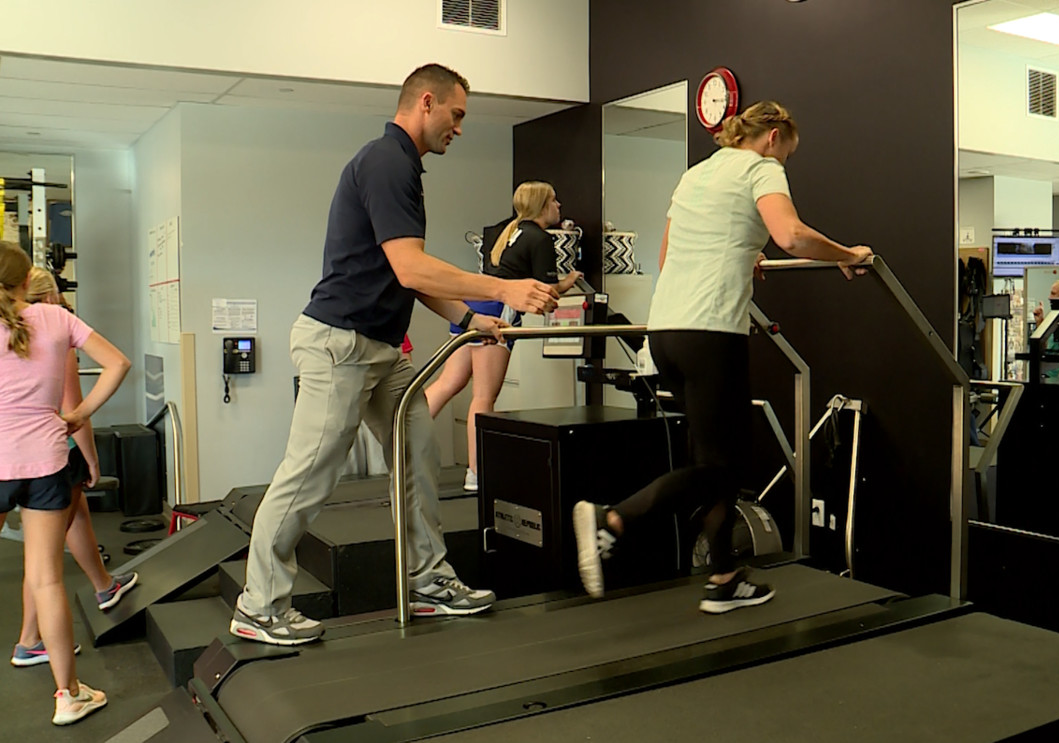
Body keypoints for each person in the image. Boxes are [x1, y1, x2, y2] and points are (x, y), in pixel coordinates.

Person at [232, 63, 560, 646]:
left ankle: (428, 579)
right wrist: (503, 289)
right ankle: (259, 604)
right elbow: (411, 266)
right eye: (456, 115)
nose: (460, 128)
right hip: (340, 343)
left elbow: (401, 271)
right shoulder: (386, 162)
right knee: (310, 474)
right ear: (427, 102)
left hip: (382, 348)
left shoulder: (402, 166)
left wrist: (466, 320)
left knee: (416, 455)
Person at [570, 101, 874, 614]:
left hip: (666, 329)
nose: (786, 161)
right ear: (774, 136)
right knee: (726, 465)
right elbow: (791, 235)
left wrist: (743, 253)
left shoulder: (696, 174)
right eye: (788, 152)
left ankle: (725, 576)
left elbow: (670, 257)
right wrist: (849, 255)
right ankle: (612, 519)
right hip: (711, 331)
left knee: (713, 461)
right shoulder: (762, 168)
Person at [0, 242, 131, 725]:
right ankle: (68, 695)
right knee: (47, 577)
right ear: (22, 282)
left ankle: (34, 650)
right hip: (45, 461)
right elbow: (117, 363)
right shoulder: (56, 320)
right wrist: (77, 415)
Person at [423, 181, 583, 491]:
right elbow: (544, 293)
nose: (559, 205)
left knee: (448, 383)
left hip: (469, 308)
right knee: (483, 397)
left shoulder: (503, 231)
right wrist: (569, 282)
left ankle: (398, 446)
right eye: (554, 200)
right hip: (496, 312)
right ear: (542, 205)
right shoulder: (540, 239)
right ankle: (476, 473)